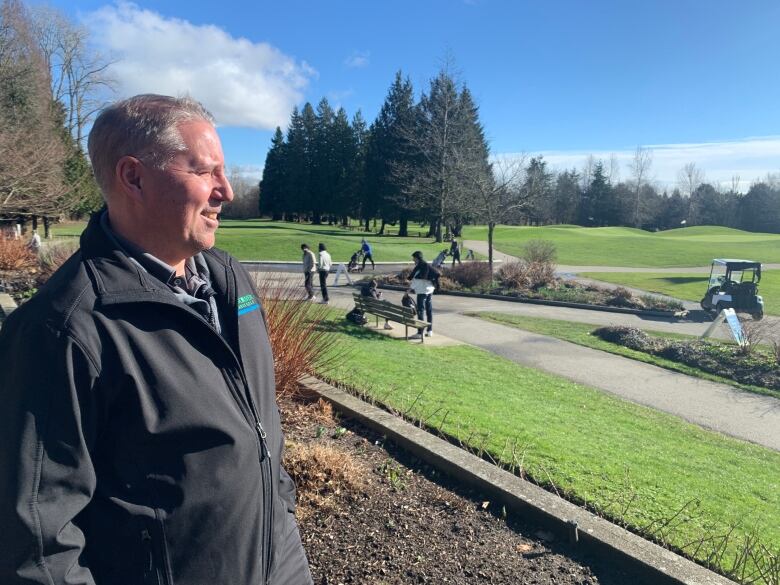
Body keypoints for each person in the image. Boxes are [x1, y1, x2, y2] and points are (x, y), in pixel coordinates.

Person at [0, 95, 313, 585]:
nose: (226, 191)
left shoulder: (231, 283)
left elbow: (259, 428)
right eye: (205, 171)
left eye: (223, 171)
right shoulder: (63, 331)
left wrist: (285, 522)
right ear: (134, 177)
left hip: (280, 565)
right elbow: (37, 546)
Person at [407, 250, 439, 339]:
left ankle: (419, 333)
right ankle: (430, 331)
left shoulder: (421, 266)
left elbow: (417, 280)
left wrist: (409, 290)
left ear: (417, 258)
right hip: (429, 291)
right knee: (429, 311)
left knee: (420, 311)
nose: (413, 260)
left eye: (413, 258)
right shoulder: (424, 265)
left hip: (423, 292)